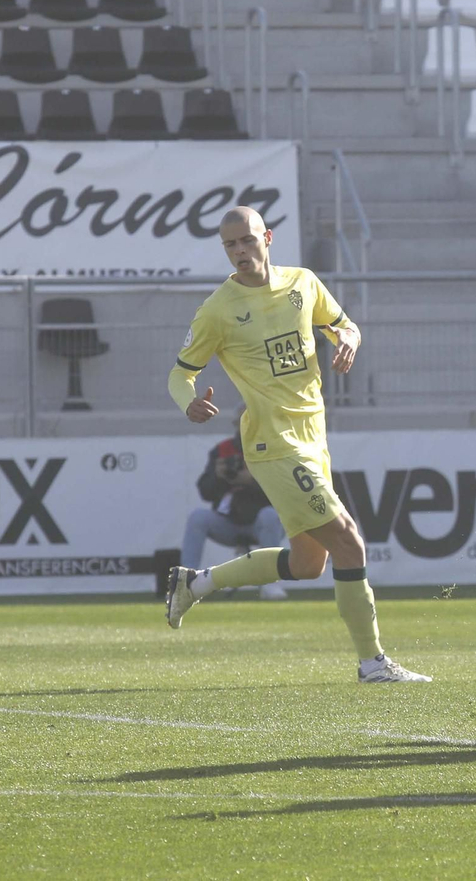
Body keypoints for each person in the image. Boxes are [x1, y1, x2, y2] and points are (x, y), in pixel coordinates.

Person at [164, 206, 428, 683]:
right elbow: (181, 373)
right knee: (350, 542)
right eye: (231, 246)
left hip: (313, 438)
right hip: (272, 443)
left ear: (267, 237)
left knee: (309, 564)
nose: (240, 252)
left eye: (246, 240)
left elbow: (345, 323)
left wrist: (348, 339)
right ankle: (373, 663)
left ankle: (196, 583)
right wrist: (188, 403)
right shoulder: (218, 310)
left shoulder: (303, 283)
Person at [181, 408, 288, 601]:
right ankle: (186, 584)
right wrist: (219, 476)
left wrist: (252, 481)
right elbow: (205, 491)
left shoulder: (273, 448)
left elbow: (282, 490)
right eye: (242, 422)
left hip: (261, 523)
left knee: (270, 515)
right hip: (228, 522)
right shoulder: (223, 450)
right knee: (198, 517)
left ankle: (271, 584)